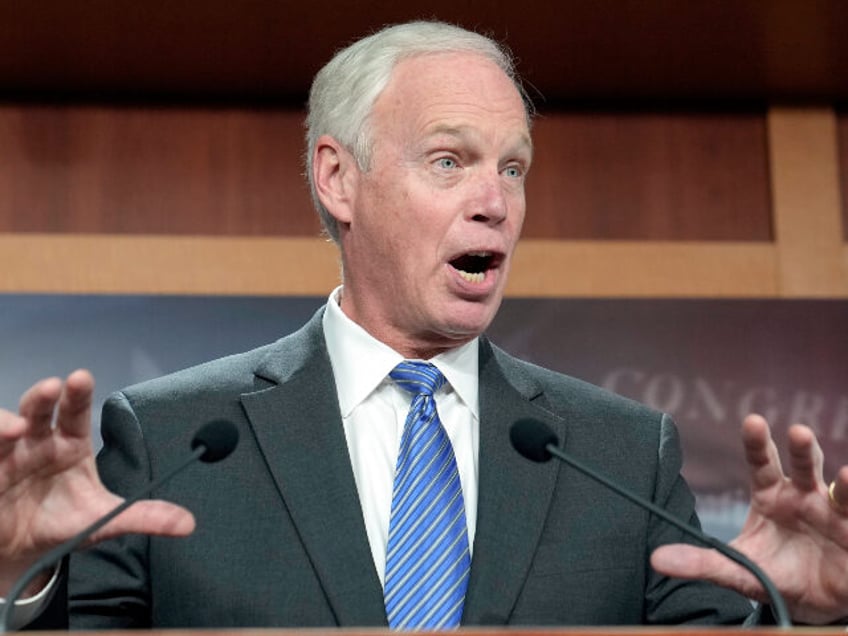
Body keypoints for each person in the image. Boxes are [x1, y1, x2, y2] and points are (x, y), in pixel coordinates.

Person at [2, 20, 848, 630]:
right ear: (339, 179)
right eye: (450, 161)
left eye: (513, 167)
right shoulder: (172, 437)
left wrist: (784, 615)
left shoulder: (622, 453)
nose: (496, 204)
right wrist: (18, 578)